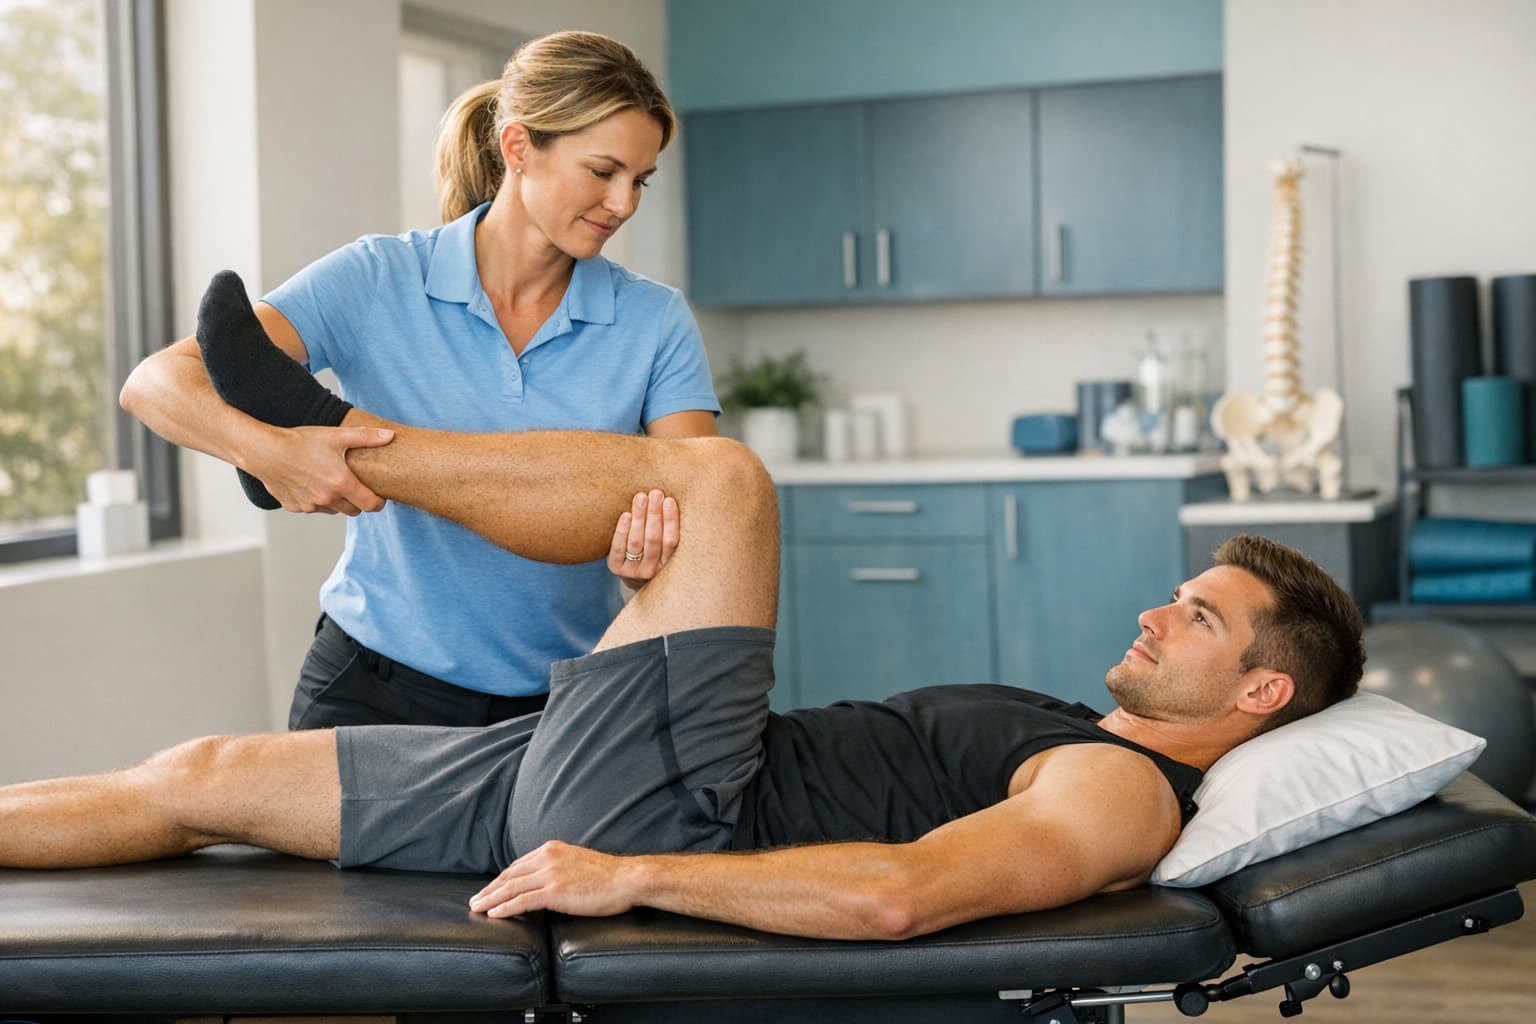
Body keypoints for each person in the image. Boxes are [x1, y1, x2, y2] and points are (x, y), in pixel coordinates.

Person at [0, 311, 1367, 942]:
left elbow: (901, 896)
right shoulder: (1085, 732)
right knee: (194, 782)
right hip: (633, 775)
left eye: (1195, 617)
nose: (1155, 608)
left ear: (1257, 697)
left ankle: (336, 443)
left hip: (672, 813)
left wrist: (634, 878)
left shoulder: (1123, 790)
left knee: (715, 478)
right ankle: (326, 442)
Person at [119, 31, 719, 731]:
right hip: (374, 680)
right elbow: (155, 380)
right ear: (519, 147)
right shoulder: (380, 278)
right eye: (603, 171)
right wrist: (270, 455)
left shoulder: (653, 320)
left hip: (565, 700)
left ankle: (343, 430)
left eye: (639, 180)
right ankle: (315, 424)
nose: (624, 203)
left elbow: (700, 498)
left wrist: (650, 565)